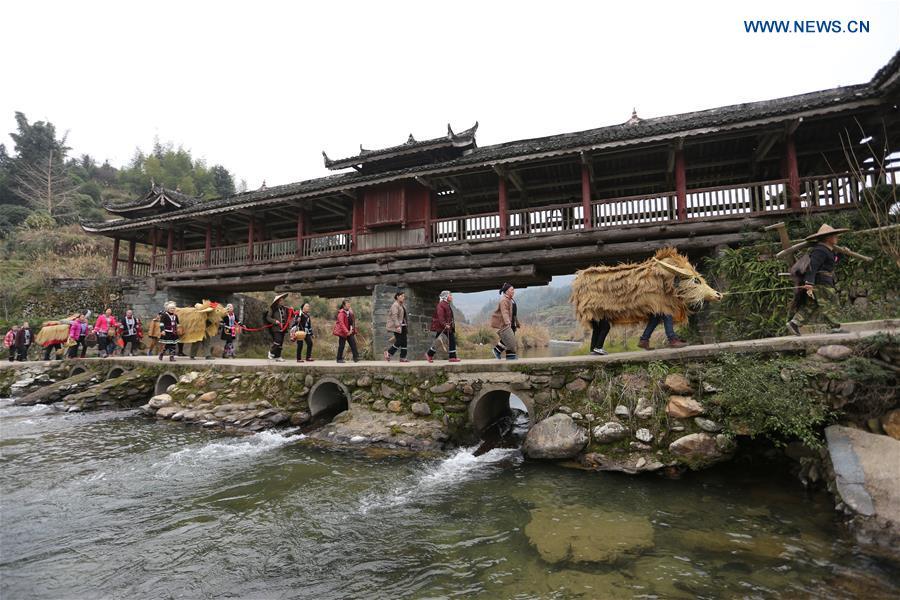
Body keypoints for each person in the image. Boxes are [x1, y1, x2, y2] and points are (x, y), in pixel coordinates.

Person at [787, 224, 850, 336]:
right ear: (828, 238)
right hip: (821, 283)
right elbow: (813, 267)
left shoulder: (827, 250)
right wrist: (809, 282)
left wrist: (841, 254)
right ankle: (834, 327)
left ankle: (794, 323)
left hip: (823, 282)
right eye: (835, 236)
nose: (837, 238)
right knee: (831, 303)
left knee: (811, 305)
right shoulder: (820, 250)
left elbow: (833, 261)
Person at [426, 290, 460, 363]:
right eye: (450, 295)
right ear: (445, 297)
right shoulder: (441, 305)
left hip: (445, 327)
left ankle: (429, 354)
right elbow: (440, 317)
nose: (451, 297)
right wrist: (445, 324)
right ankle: (452, 357)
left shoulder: (446, 304)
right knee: (452, 340)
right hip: (443, 327)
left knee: (438, 341)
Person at [491, 283, 519, 360]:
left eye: (513, 289)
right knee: (508, 338)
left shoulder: (511, 299)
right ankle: (496, 350)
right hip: (506, 323)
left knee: (510, 339)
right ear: (506, 291)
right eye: (512, 290)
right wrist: (507, 322)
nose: (513, 291)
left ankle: (510, 355)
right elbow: (504, 312)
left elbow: (513, 313)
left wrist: (516, 322)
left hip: (512, 322)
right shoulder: (504, 300)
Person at [384, 291, 409, 362]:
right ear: (397, 297)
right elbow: (394, 316)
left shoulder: (401, 305)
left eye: (404, 296)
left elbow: (403, 316)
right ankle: (389, 353)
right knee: (400, 341)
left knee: (404, 342)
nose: (403, 297)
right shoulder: (395, 305)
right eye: (401, 296)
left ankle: (402, 357)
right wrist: (398, 326)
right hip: (397, 326)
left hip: (403, 326)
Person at [266, 293, 290, 362]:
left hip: (283, 328)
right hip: (276, 328)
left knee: (281, 343)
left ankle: (278, 356)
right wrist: (275, 321)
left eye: (283, 300)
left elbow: (289, 316)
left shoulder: (285, 309)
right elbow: (268, 317)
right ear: (278, 301)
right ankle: (271, 352)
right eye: (281, 300)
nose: (283, 301)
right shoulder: (272, 309)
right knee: (278, 341)